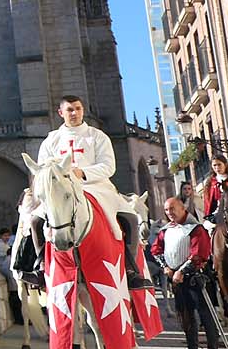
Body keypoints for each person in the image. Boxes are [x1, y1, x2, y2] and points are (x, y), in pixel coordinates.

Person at [31, 94, 149, 289]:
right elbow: (43, 169)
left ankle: (129, 269)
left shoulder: (97, 136)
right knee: (35, 220)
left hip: (95, 186)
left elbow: (109, 166)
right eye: (69, 109)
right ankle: (40, 266)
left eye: (78, 108)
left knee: (129, 216)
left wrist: (82, 172)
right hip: (62, 191)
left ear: (83, 110)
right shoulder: (51, 140)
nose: (74, 113)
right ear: (61, 113)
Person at [149, 197, 221, 349]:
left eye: (173, 209)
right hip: (176, 279)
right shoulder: (166, 230)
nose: (170, 213)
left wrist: (182, 271)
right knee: (186, 315)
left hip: (197, 278)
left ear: (182, 208)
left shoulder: (196, 229)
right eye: (167, 210)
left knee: (206, 315)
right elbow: (156, 250)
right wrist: (166, 267)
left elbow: (199, 253)